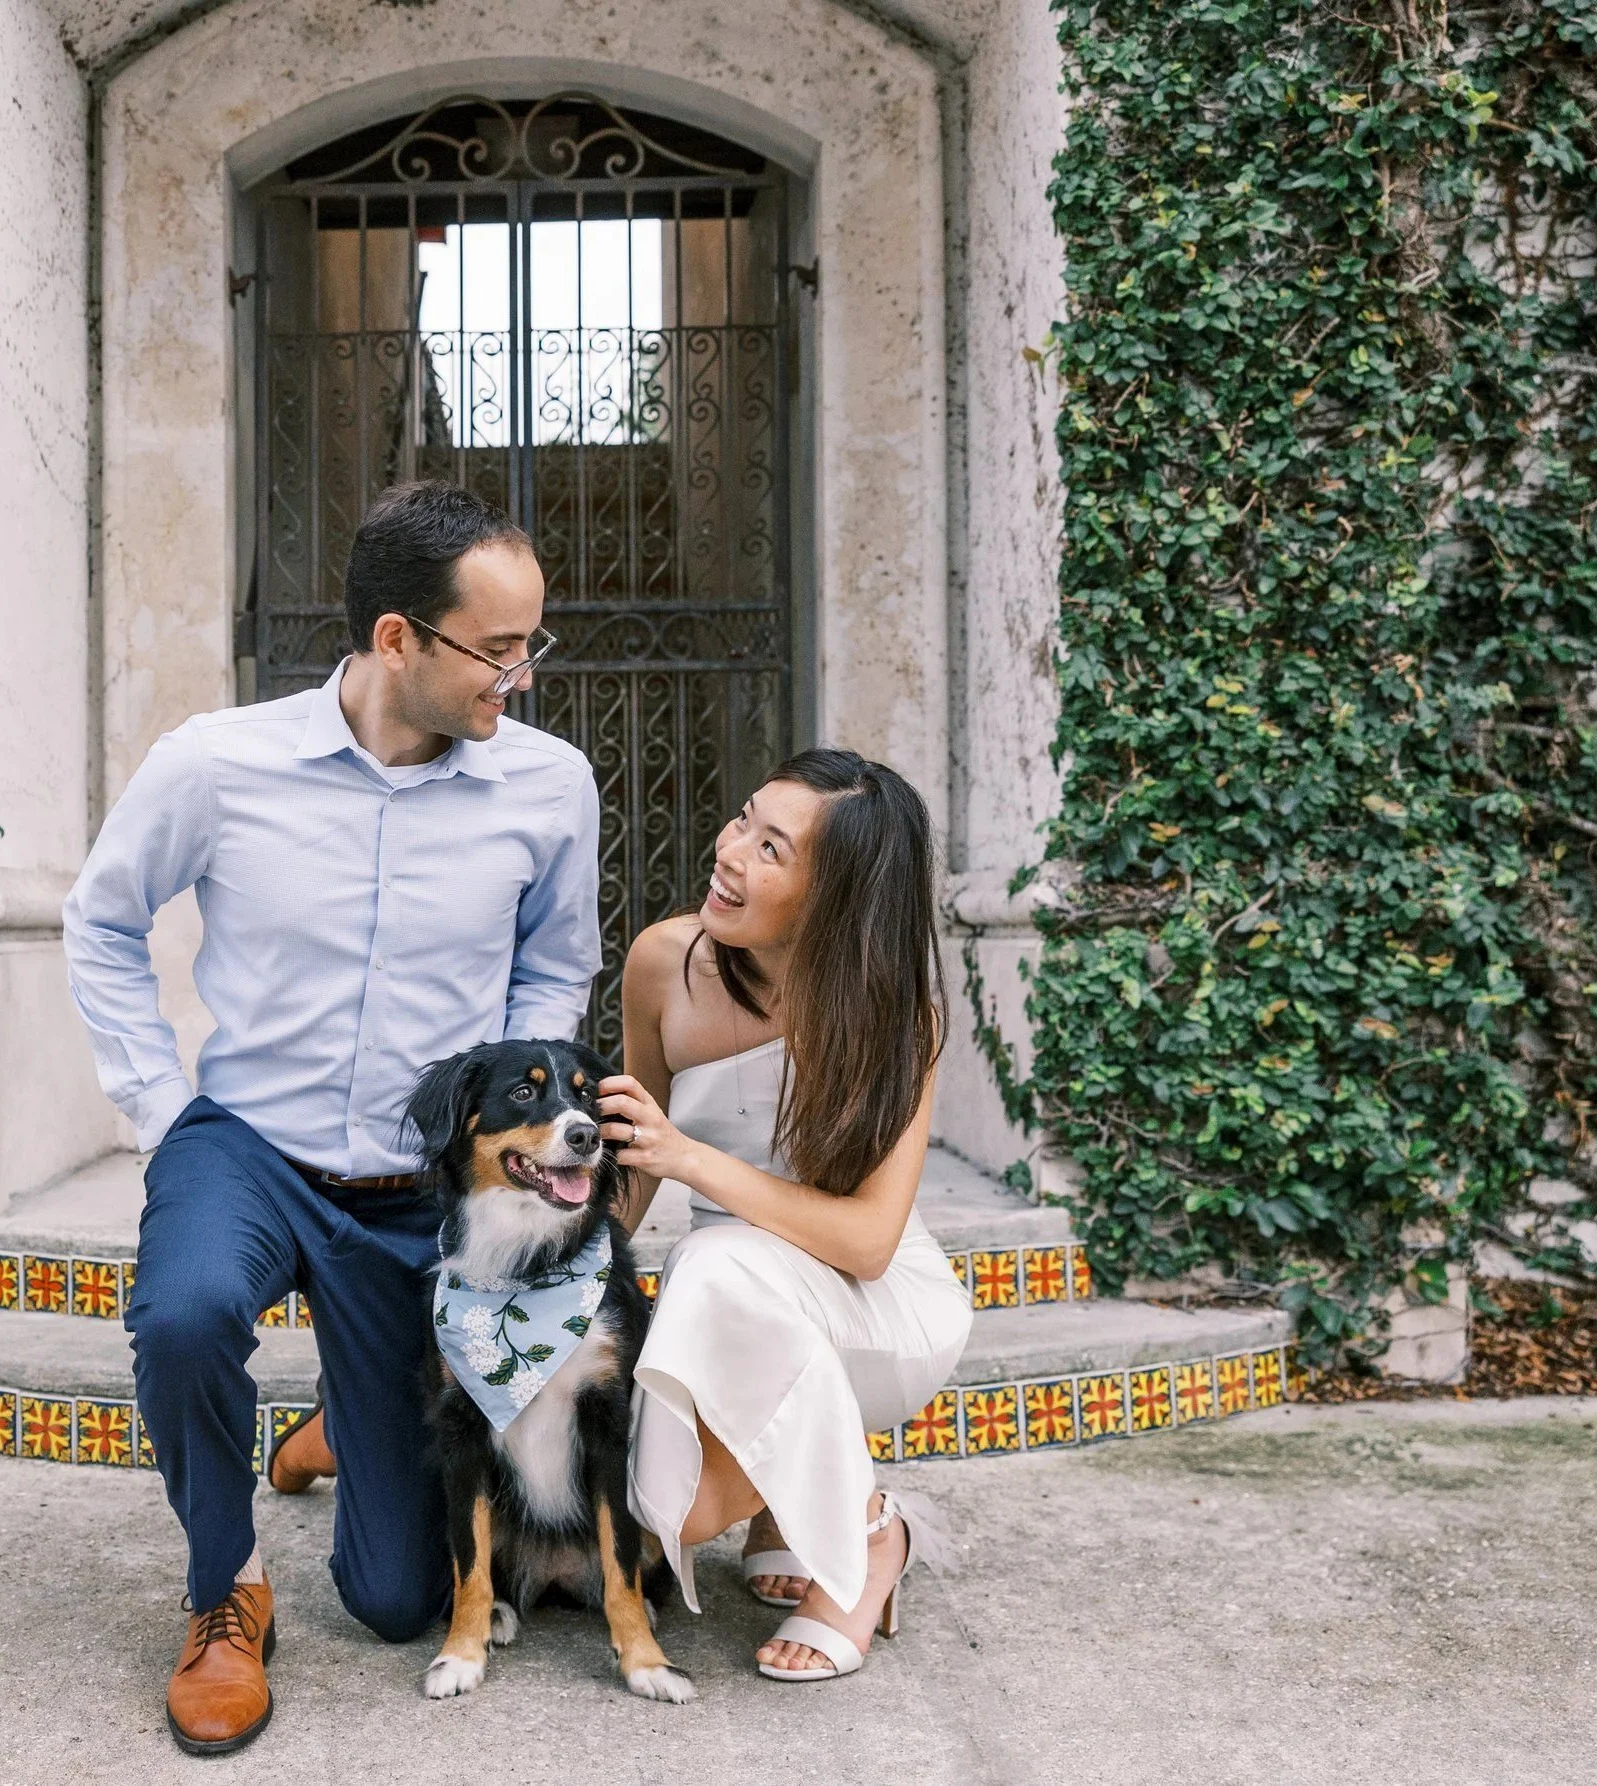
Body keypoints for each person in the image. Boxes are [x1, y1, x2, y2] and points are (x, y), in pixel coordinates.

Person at [63, 481, 600, 1756]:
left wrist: (514, 1137)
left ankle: (336, 1429)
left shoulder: (547, 785)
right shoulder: (216, 760)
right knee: (188, 1314)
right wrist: (163, 1108)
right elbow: (103, 919)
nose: (519, 676)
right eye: (498, 646)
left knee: (398, 1602)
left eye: (534, 643)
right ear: (397, 639)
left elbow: (551, 970)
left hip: (417, 1191)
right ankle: (223, 1587)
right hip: (247, 1142)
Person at [598, 748, 973, 1683]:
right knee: (659, 1515)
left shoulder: (896, 1015)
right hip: (737, 1306)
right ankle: (782, 1508)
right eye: (742, 820)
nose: (730, 852)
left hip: (875, 1313)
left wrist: (694, 1159)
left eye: (772, 849)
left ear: (835, 897)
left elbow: (867, 1242)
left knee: (714, 1262)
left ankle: (869, 1533)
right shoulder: (663, 963)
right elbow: (633, 1174)